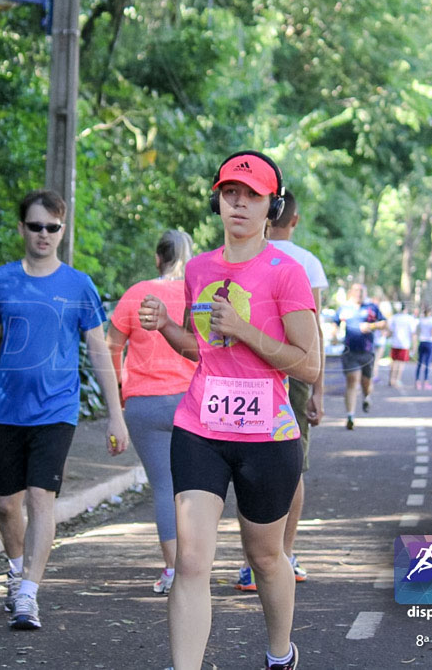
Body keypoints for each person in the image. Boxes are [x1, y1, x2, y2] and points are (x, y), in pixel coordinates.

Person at [139, 150, 319, 670]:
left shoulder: (286, 273)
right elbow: (205, 350)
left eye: (253, 196)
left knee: (264, 558)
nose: (239, 203)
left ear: (271, 206)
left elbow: (307, 367)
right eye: (230, 193)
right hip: (200, 427)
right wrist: (165, 327)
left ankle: (280, 653)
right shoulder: (198, 269)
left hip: (268, 435)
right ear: (217, 199)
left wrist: (245, 330)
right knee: (191, 562)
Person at [0, 189, 131, 631]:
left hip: (56, 409)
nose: (44, 234)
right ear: (22, 228)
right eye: (36, 226)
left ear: (62, 230)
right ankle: (17, 568)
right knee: (6, 505)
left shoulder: (78, 285)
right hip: (7, 410)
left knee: (41, 498)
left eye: (53, 227)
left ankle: (28, 594)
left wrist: (116, 415)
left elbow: (99, 351)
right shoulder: (0, 280)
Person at [231, 190, 328, 592]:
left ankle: (256, 561)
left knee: (244, 462)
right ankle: (282, 554)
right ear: (295, 219)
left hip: (243, 375)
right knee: (292, 464)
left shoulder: (242, 254)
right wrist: (318, 388)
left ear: (268, 215)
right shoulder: (307, 263)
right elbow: (315, 330)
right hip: (289, 371)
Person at [107, 229, 196, 595]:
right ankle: (194, 568)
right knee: (192, 490)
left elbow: (112, 346)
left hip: (143, 404)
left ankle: (174, 571)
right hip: (191, 402)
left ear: (158, 258)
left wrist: (118, 392)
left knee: (164, 486)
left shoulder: (136, 294)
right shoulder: (196, 295)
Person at [337, 283, 386, 430]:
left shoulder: (371, 308)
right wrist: (334, 333)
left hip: (367, 352)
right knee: (352, 381)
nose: (359, 293)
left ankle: (366, 397)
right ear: (351, 292)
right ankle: (350, 415)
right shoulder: (344, 308)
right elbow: (335, 322)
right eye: (357, 291)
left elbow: (384, 323)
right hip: (350, 352)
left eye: (362, 291)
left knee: (366, 383)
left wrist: (370, 326)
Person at [388, 303, 416, 388]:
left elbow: (390, 330)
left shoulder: (395, 318)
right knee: (401, 363)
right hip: (404, 344)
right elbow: (413, 333)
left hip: (395, 342)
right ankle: (397, 379)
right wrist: (414, 346)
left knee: (394, 361)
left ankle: (391, 379)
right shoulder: (410, 319)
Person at [414, 305, 432, 390]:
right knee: (427, 363)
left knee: (419, 363)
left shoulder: (421, 320)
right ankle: (426, 382)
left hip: (422, 342)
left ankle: (417, 381)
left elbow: (417, 332)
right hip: (429, 342)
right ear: (430, 312)